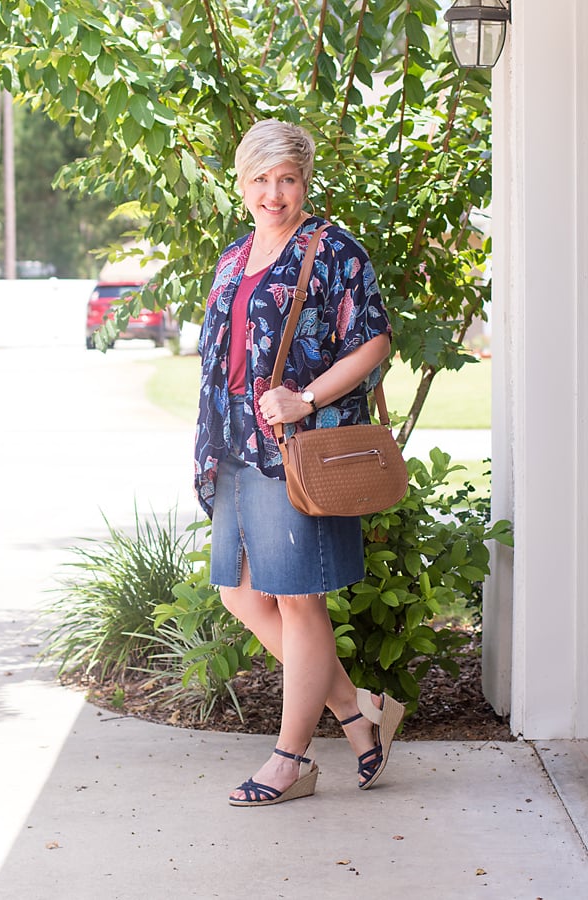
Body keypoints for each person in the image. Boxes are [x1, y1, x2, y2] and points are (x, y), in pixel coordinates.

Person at [195, 118, 405, 807]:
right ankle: (358, 709)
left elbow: (372, 341)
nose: (274, 194)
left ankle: (291, 759)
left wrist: (304, 397)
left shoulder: (333, 249)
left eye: (287, 179)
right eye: (260, 179)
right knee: (240, 593)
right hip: (233, 444)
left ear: (304, 180)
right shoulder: (234, 257)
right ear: (242, 182)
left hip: (292, 451)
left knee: (296, 601)